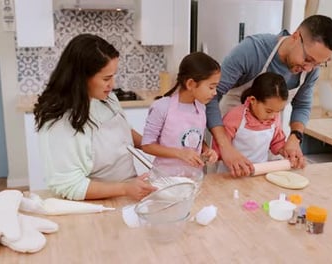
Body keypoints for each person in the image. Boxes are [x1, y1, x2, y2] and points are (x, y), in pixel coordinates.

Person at [206, 15, 332, 177]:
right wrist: (225, 147)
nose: (309, 68)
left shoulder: (310, 70)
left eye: (318, 64)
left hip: (262, 151)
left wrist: (294, 138)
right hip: (227, 145)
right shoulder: (252, 50)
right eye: (308, 59)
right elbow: (211, 95)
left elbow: (302, 105)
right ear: (296, 36)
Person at [34, 34, 156, 201]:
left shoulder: (105, 99)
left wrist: (156, 147)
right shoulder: (60, 122)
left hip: (127, 194)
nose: (112, 85)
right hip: (95, 204)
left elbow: (122, 133)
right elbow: (71, 186)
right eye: (106, 78)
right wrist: (125, 188)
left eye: (113, 76)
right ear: (81, 78)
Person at [141, 52, 220, 168]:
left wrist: (206, 150)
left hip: (193, 178)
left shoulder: (201, 107)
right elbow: (147, 145)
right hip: (166, 179)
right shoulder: (162, 107)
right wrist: (179, 153)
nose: (215, 92)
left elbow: (195, 138)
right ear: (191, 84)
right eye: (211, 87)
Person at [213, 72, 289, 173]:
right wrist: (214, 155)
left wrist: (286, 152)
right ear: (253, 100)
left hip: (259, 172)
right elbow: (221, 146)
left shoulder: (274, 118)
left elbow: (277, 141)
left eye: (278, 111)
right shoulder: (235, 117)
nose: (272, 116)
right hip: (232, 173)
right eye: (268, 111)